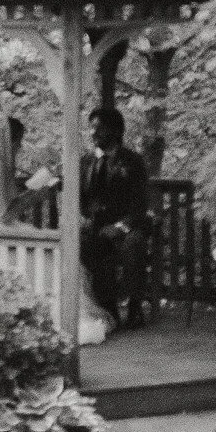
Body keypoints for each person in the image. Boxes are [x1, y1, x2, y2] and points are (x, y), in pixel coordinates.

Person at [80, 106, 151, 329]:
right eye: (91, 128)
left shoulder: (133, 161)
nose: (93, 133)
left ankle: (134, 306)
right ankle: (106, 307)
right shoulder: (86, 162)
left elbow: (140, 205)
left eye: (99, 128)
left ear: (116, 131)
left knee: (134, 244)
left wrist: (120, 227)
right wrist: (83, 218)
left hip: (127, 226)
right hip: (97, 228)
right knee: (82, 242)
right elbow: (80, 199)